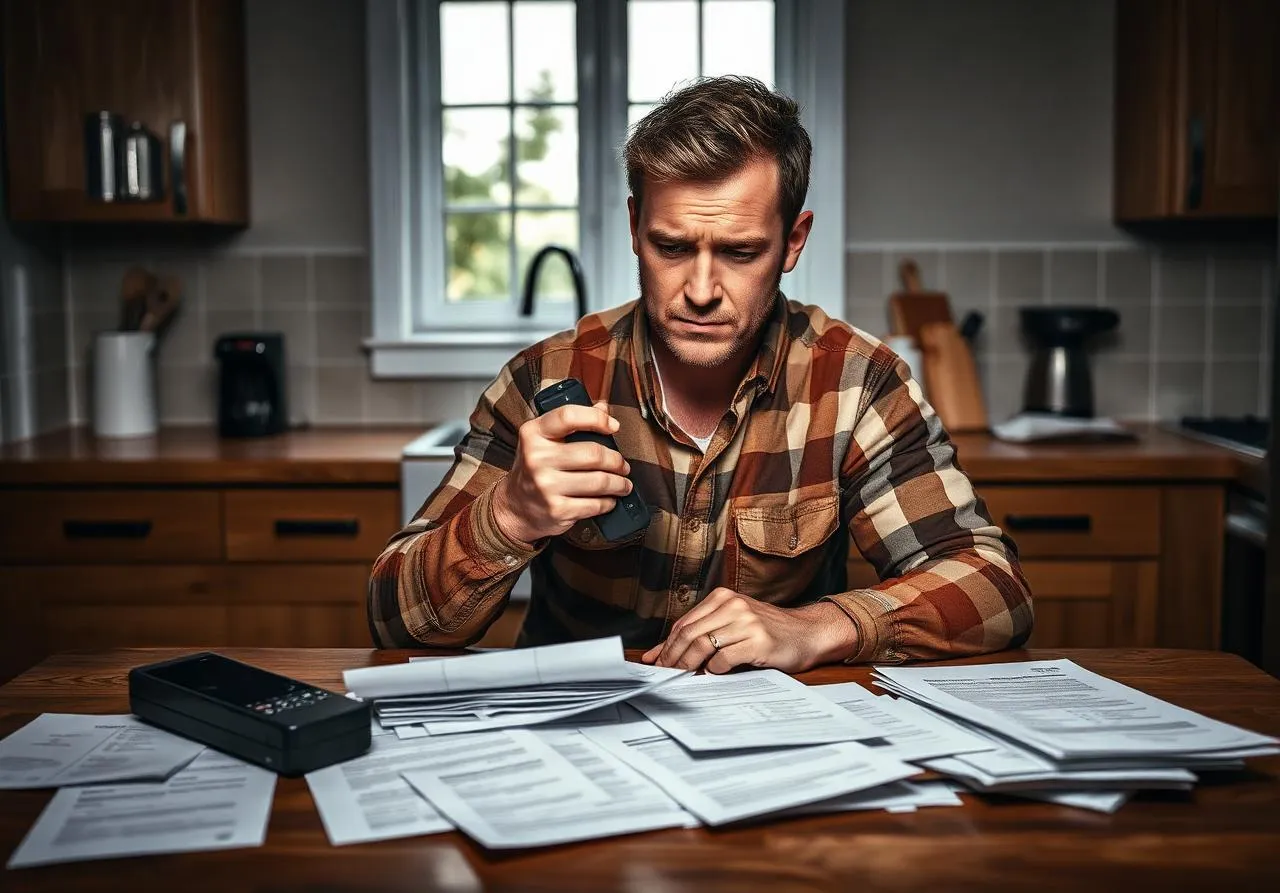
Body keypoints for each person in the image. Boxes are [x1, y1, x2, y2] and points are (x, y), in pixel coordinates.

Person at [368, 76, 1033, 672]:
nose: (702, 290)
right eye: (673, 247)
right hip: (572, 748)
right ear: (635, 227)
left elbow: (994, 587)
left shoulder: (857, 384)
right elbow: (393, 618)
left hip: (770, 749)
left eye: (741, 252)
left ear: (793, 241)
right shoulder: (544, 379)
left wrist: (817, 628)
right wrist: (509, 515)